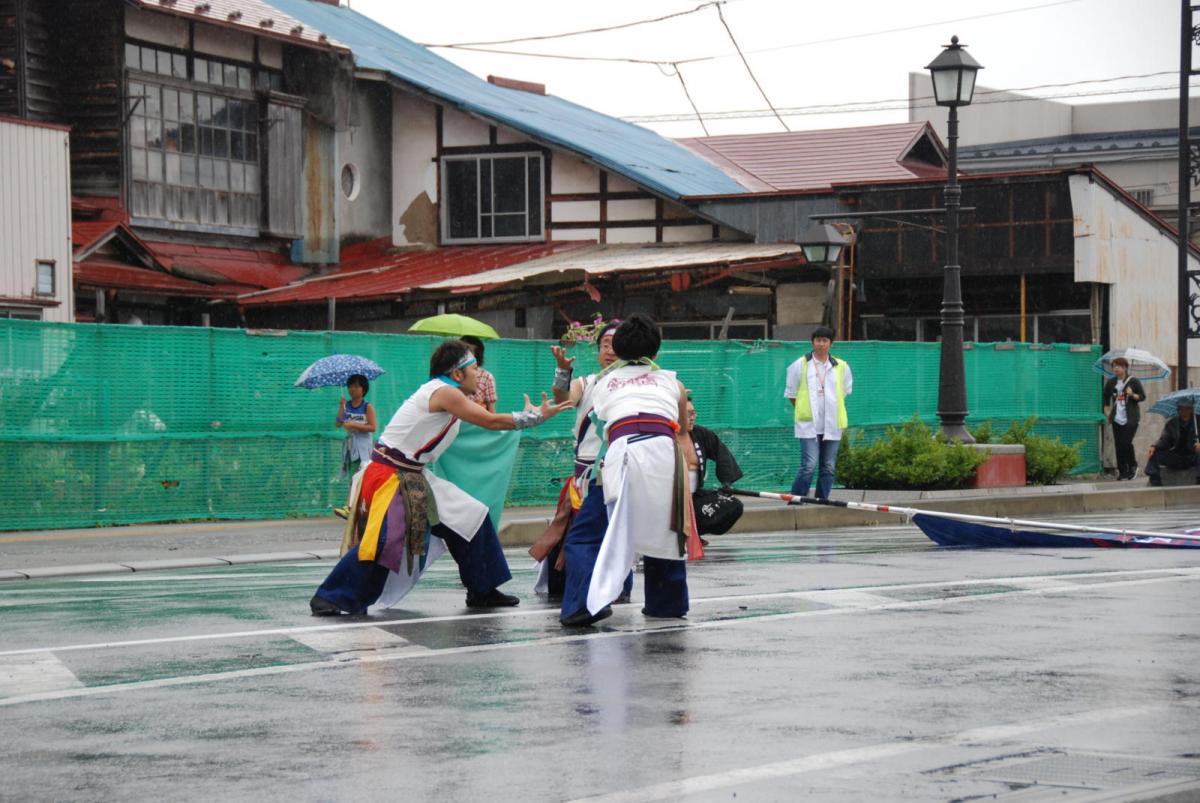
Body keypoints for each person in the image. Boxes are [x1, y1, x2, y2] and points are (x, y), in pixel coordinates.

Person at [310, 339, 572, 616]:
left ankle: (482, 589)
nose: (479, 374)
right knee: (386, 540)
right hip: (391, 476)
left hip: (411, 474)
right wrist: (534, 417)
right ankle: (331, 597)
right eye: (474, 368)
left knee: (473, 516)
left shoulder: (446, 396)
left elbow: (481, 422)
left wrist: (527, 415)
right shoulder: (445, 392)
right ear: (457, 373)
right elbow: (491, 421)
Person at [565, 313, 692, 626]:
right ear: (656, 351)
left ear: (618, 351)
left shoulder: (602, 383)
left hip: (623, 453)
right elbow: (678, 426)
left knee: (587, 534)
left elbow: (601, 425)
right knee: (666, 529)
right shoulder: (673, 382)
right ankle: (667, 604)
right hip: (665, 454)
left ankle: (584, 604)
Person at [528, 320, 629, 604]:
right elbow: (563, 397)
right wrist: (563, 370)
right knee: (582, 534)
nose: (610, 351)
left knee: (615, 533)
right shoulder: (587, 383)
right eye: (605, 345)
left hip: (620, 470)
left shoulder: (635, 386)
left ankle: (614, 588)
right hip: (587, 476)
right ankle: (581, 591)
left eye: (616, 345)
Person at [784, 325, 853, 500]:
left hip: (832, 423)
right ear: (812, 342)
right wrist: (803, 409)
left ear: (831, 343)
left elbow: (844, 391)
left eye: (825, 341)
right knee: (809, 464)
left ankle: (822, 500)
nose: (821, 344)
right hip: (808, 423)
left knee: (828, 466)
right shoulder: (800, 364)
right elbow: (791, 394)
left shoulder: (841, 366)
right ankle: (797, 499)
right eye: (818, 340)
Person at [682, 393, 744, 539]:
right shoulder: (664, 439)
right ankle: (683, 532)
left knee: (733, 505)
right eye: (687, 414)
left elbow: (722, 454)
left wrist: (727, 481)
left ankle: (694, 532)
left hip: (695, 497)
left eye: (693, 413)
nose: (692, 417)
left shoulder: (701, 434)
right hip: (671, 502)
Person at [1102, 357, 1146, 480]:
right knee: (1119, 445)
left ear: (1125, 367)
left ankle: (1133, 466)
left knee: (1126, 443)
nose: (1115, 368)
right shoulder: (1111, 383)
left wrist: (1132, 394)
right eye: (1114, 366)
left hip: (1131, 418)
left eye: (1118, 366)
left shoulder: (1134, 381)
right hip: (1116, 418)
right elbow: (1105, 397)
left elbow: (1142, 397)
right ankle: (1123, 471)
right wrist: (1107, 410)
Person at [1145, 400, 1200, 486]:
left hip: (1193, 456)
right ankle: (1155, 480)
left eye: (1186, 409)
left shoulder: (1198, 421)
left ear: (1191, 409)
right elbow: (1164, 439)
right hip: (1177, 456)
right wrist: (1154, 446)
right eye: (1180, 409)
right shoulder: (1172, 423)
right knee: (1155, 453)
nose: (1183, 411)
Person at [336, 374, 377, 479]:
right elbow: (338, 424)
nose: (351, 389)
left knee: (361, 477)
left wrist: (355, 425)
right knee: (353, 477)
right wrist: (341, 406)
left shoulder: (367, 406)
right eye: (350, 386)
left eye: (356, 386)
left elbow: (373, 427)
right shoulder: (346, 405)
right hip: (350, 447)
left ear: (363, 389)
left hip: (363, 447)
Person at [460, 335, 497, 412]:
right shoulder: (450, 374)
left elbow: (491, 411)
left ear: (477, 355)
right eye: (460, 349)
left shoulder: (486, 377)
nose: (463, 354)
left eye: (468, 351)